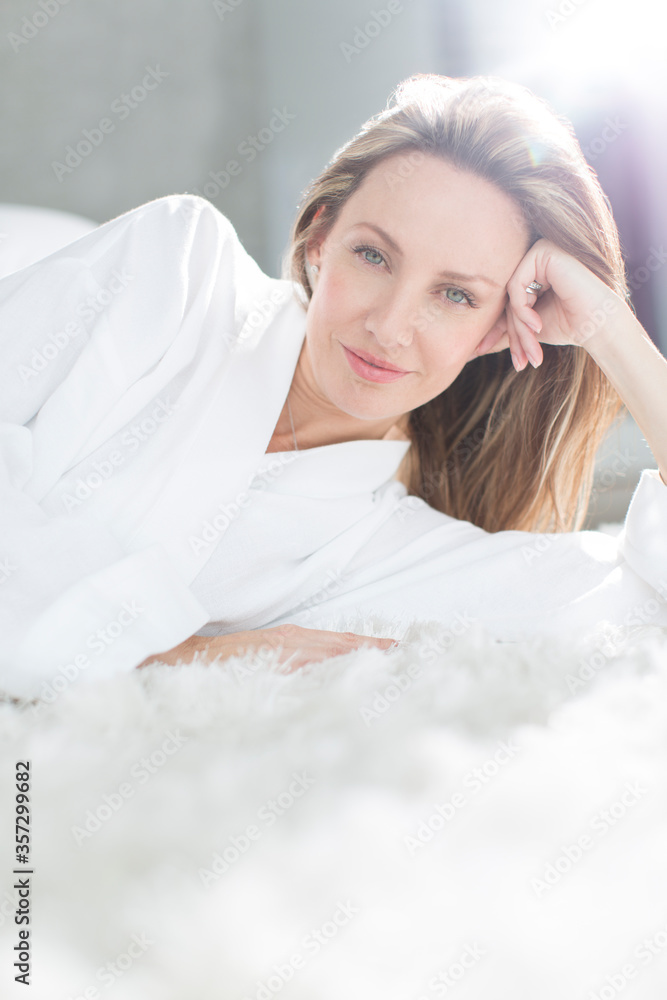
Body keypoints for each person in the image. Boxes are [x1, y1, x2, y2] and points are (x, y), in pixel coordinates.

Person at [1, 74, 666, 700]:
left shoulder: (389, 549)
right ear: (320, 239)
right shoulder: (173, 265)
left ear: (497, 330)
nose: (389, 326)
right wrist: (170, 657)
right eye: (372, 255)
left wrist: (611, 329)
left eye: (456, 295)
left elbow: (643, 607)